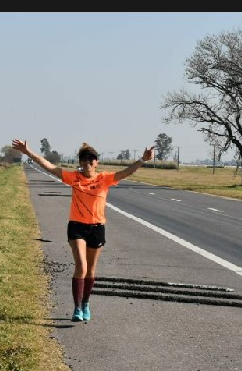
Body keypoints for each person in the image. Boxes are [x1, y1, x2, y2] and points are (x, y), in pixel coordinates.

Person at [11, 138, 155, 323]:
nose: (88, 163)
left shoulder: (104, 179)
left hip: (97, 228)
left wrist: (143, 159)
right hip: (77, 227)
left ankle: (86, 303)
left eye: (91, 159)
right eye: (84, 160)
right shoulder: (74, 178)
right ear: (80, 162)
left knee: (91, 270)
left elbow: (126, 172)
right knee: (81, 266)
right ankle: (77, 308)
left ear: (97, 162)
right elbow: (48, 166)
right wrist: (28, 151)